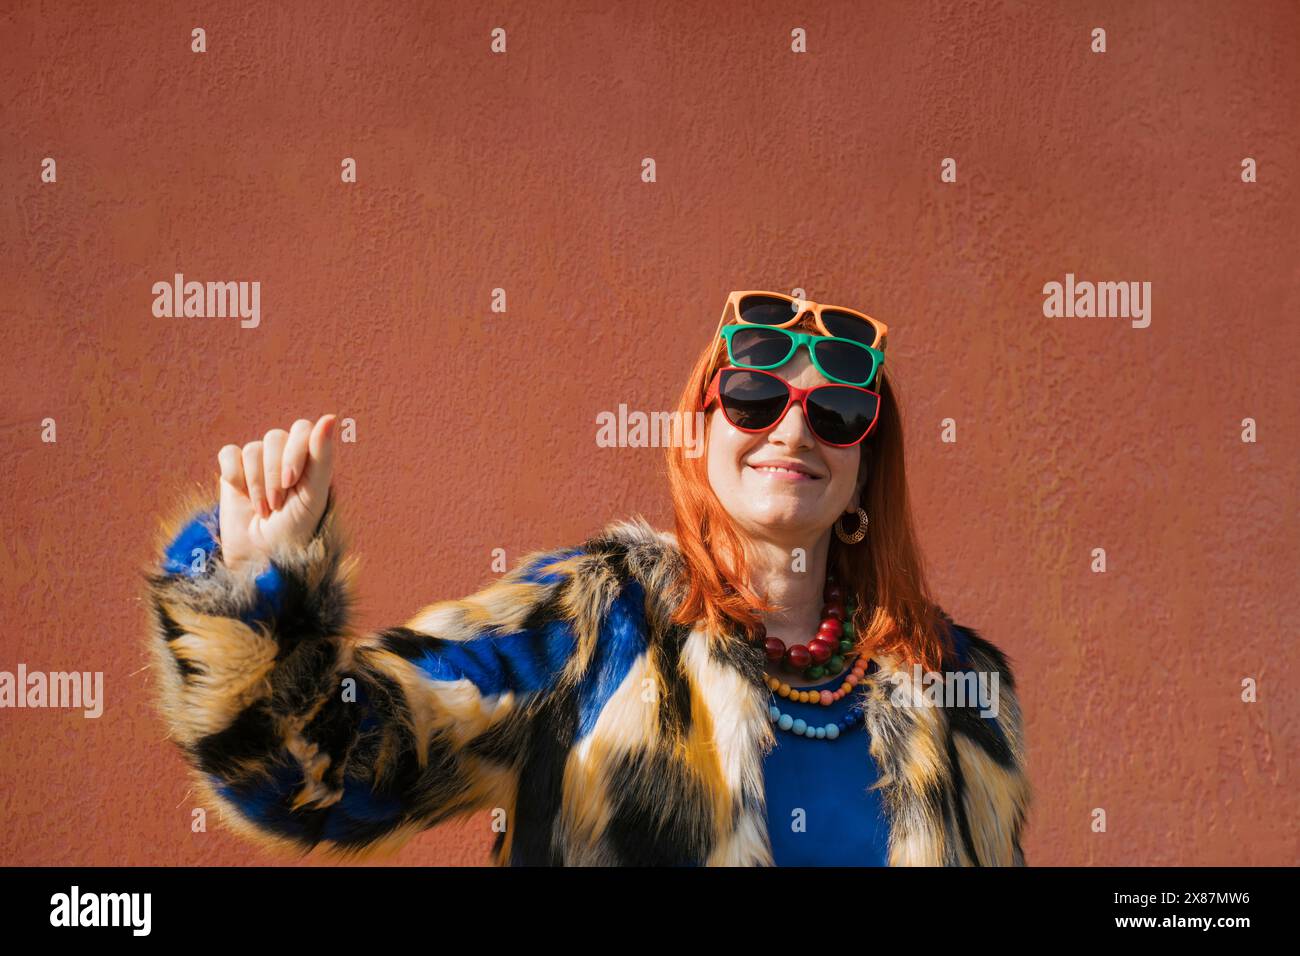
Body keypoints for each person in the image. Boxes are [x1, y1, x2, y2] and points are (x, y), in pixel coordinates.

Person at [145, 291, 1030, 865]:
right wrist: (255, 585)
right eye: (756, 399)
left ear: (867, 473)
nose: (793, 433)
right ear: (701, 429)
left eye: (835, 415)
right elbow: (317, 776)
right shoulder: (593, 626)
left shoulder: (956, 687)